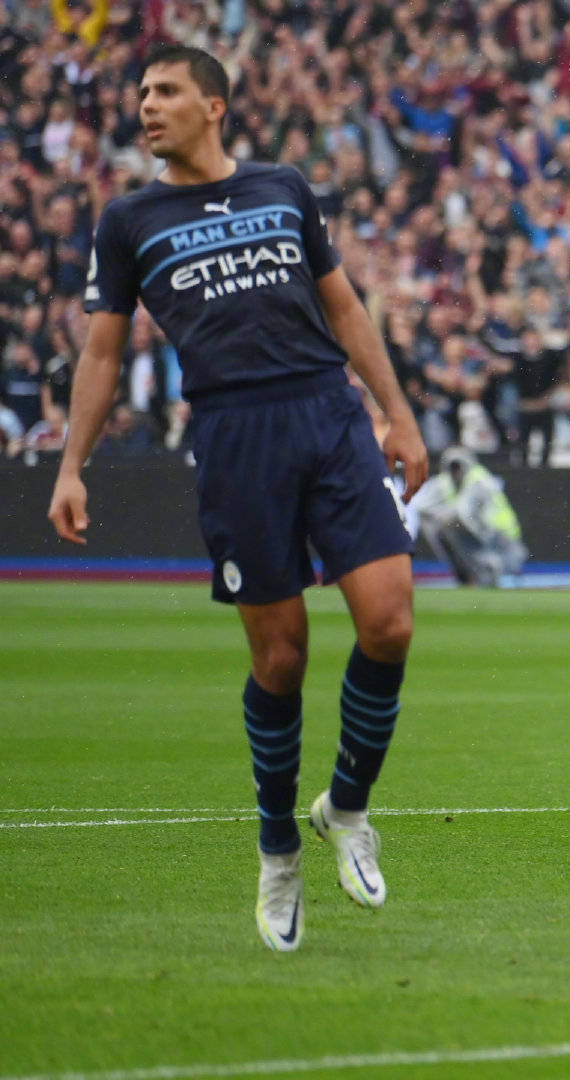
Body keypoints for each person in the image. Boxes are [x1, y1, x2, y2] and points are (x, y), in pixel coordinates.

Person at [48, 45, 428, 952]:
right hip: (232, 434)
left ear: (213, 106)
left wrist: (398, 416)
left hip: (327, 416)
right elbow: (103, 352)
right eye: (142, 93)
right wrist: (72, 463)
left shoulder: (283, 187)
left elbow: (344, 309)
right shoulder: (129, 217)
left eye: (166, 91)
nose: (147, 106)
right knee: (283, 658)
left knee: (391, 622)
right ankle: (276, 849)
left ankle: (345, 807)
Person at [412, 446, 527, 586]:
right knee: (436, 526)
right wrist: (440, 516)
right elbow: (419, 506)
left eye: (458, 466)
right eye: (452, 467)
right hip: (480, 536)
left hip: (503, 541)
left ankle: (489, 566)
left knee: (451, 522)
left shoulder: (478, 480)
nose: (455, 471)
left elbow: (464, 513)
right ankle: (466, 575)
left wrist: (443, 515)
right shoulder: (445, 481)